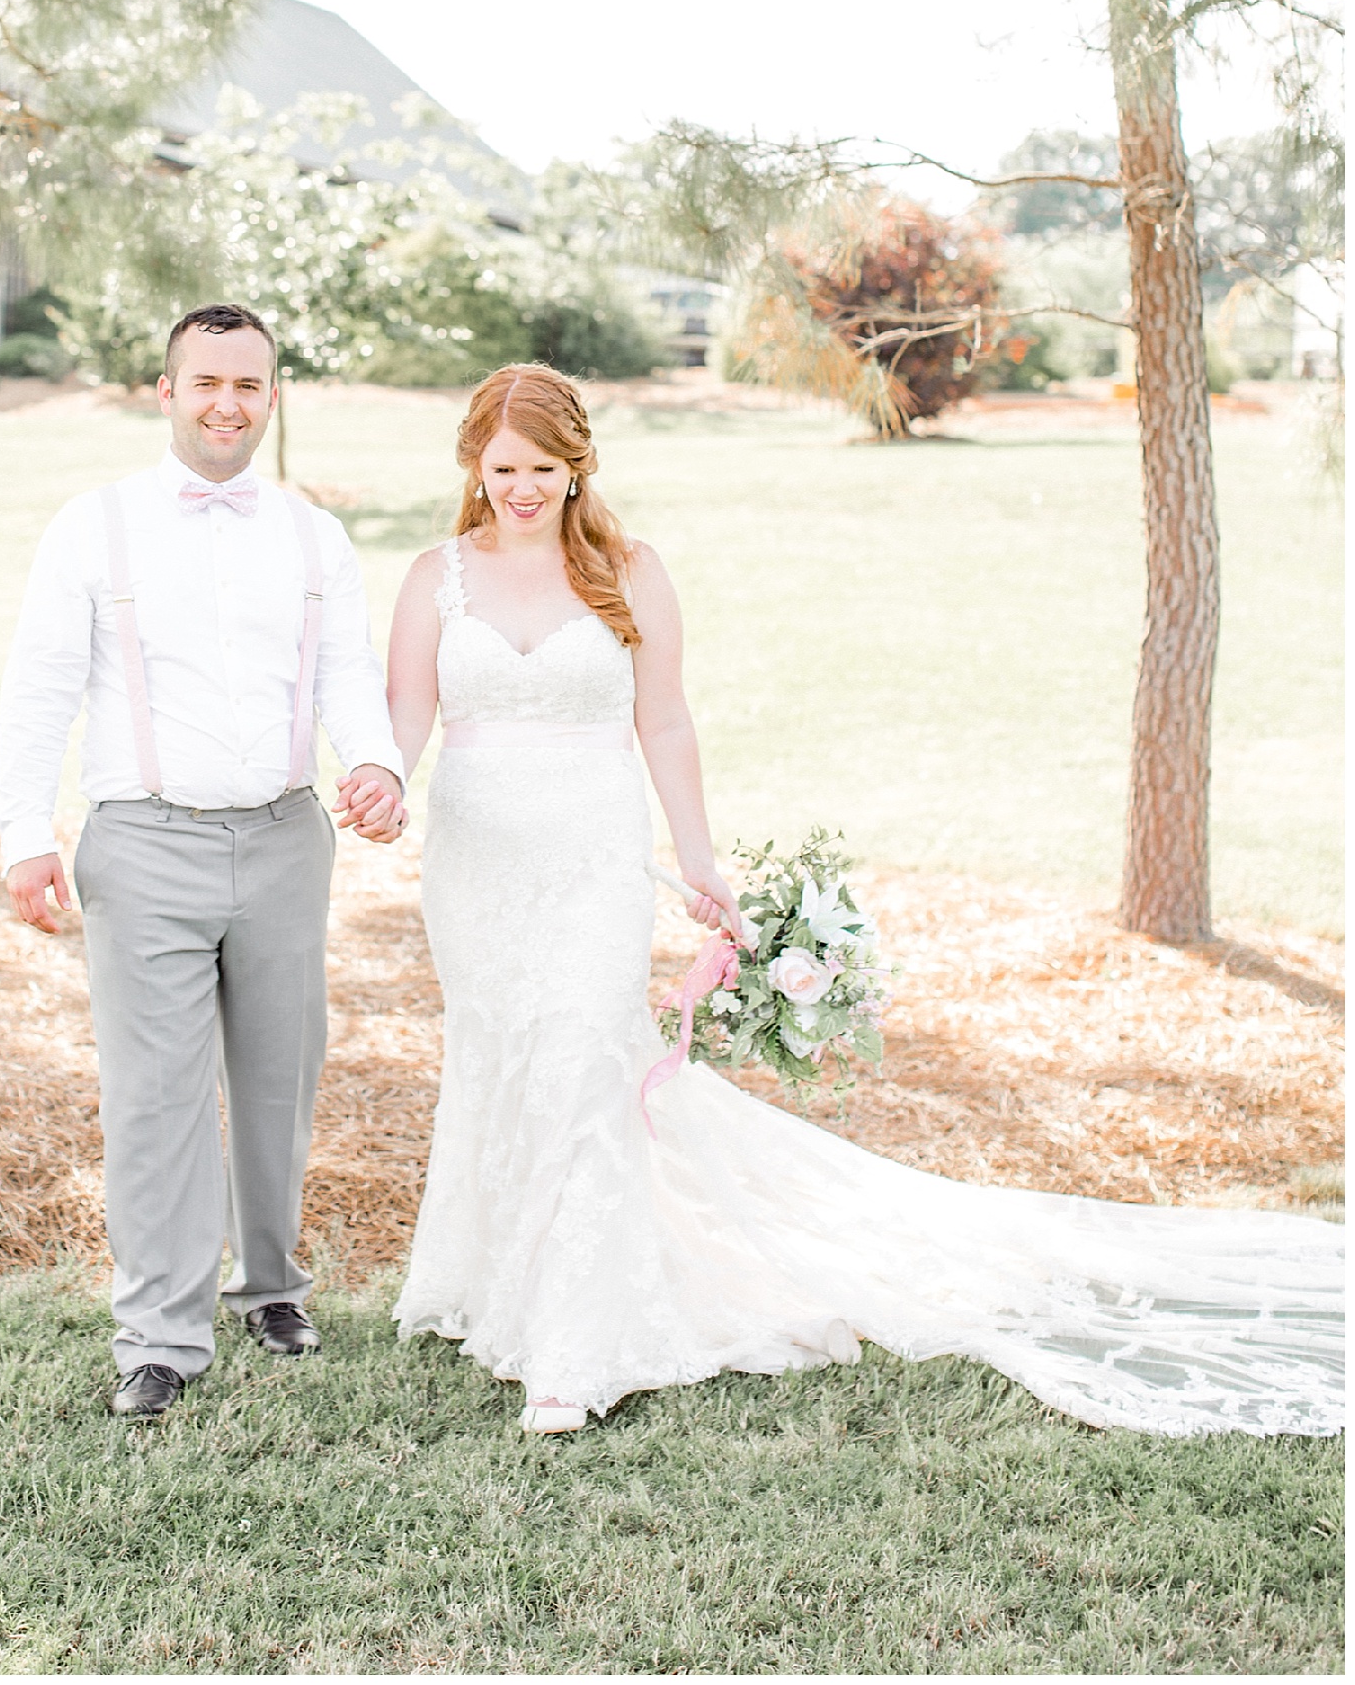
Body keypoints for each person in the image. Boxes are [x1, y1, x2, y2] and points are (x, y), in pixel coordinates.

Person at [385, 363, 1344, 1438]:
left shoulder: (628, 569)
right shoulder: (437, 578)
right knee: (501, 1053)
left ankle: (573, 1341)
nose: (521, 487)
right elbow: (405, 711)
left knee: (580, 1063)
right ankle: (493, 1278)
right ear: (475, 462)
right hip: (475, 866)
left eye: (543, 469)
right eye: (503, 466)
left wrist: (701, 861)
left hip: (592, 860)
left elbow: (665, 722)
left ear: (578, 466)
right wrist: (379, 777)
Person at [0, 301, 406, 1419]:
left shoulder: (315, 533)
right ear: (165, 390)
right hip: (141, 841)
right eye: (206, 382)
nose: (228, 404)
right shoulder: (95, 525)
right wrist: (25, 831)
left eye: (249, 386)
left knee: (280, 1079)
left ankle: (269, 1284)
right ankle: (160, 1339)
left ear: (271, 396)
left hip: (284, 837)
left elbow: (348, 676)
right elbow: (38, 682)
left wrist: (376, 762)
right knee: (156, 1100)